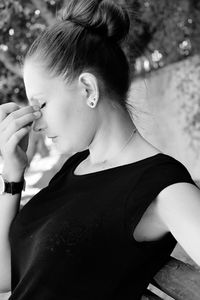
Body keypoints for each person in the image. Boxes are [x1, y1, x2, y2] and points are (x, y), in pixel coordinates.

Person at [0, 0, 200, 299]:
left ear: (88, 90)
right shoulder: (76, 167)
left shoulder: (161, 186)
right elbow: (5, 276)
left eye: (40, 104)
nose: (36, 122)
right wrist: (13, 177)